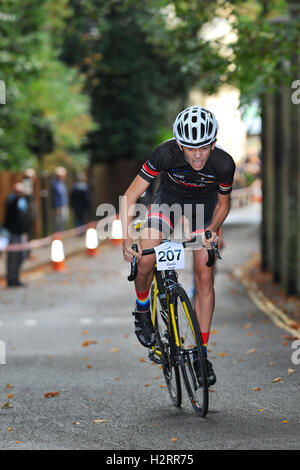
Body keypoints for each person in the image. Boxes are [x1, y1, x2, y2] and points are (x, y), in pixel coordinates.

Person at [121, 106, 236, 386]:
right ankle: (141, 309)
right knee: (146, 259)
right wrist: (127, 239)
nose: (197, 155)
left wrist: (212, 230)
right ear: (178, 145)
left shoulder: (224, 164)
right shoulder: (164, 153)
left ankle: (200, 354)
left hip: (205, 209)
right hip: (167, 202)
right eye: (190, 148)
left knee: (205, 274)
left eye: (204, 148)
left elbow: (223, 204)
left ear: (214, 143)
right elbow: (130, 195)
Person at [3, 182, 32, 287]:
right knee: (12, 257)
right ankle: (11, 279)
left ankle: (15, 278)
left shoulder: (24, 201)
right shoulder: (11, 199)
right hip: (13, 233)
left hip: (21, 233)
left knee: (20, 256)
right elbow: (10, 209)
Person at [51, 167, 69, 232]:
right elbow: (55, 196)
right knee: (59, 224)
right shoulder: (55, 184)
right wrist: (57, 207)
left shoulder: (62, 183)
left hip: (64, 205)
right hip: (59, 207)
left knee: (64, 223)